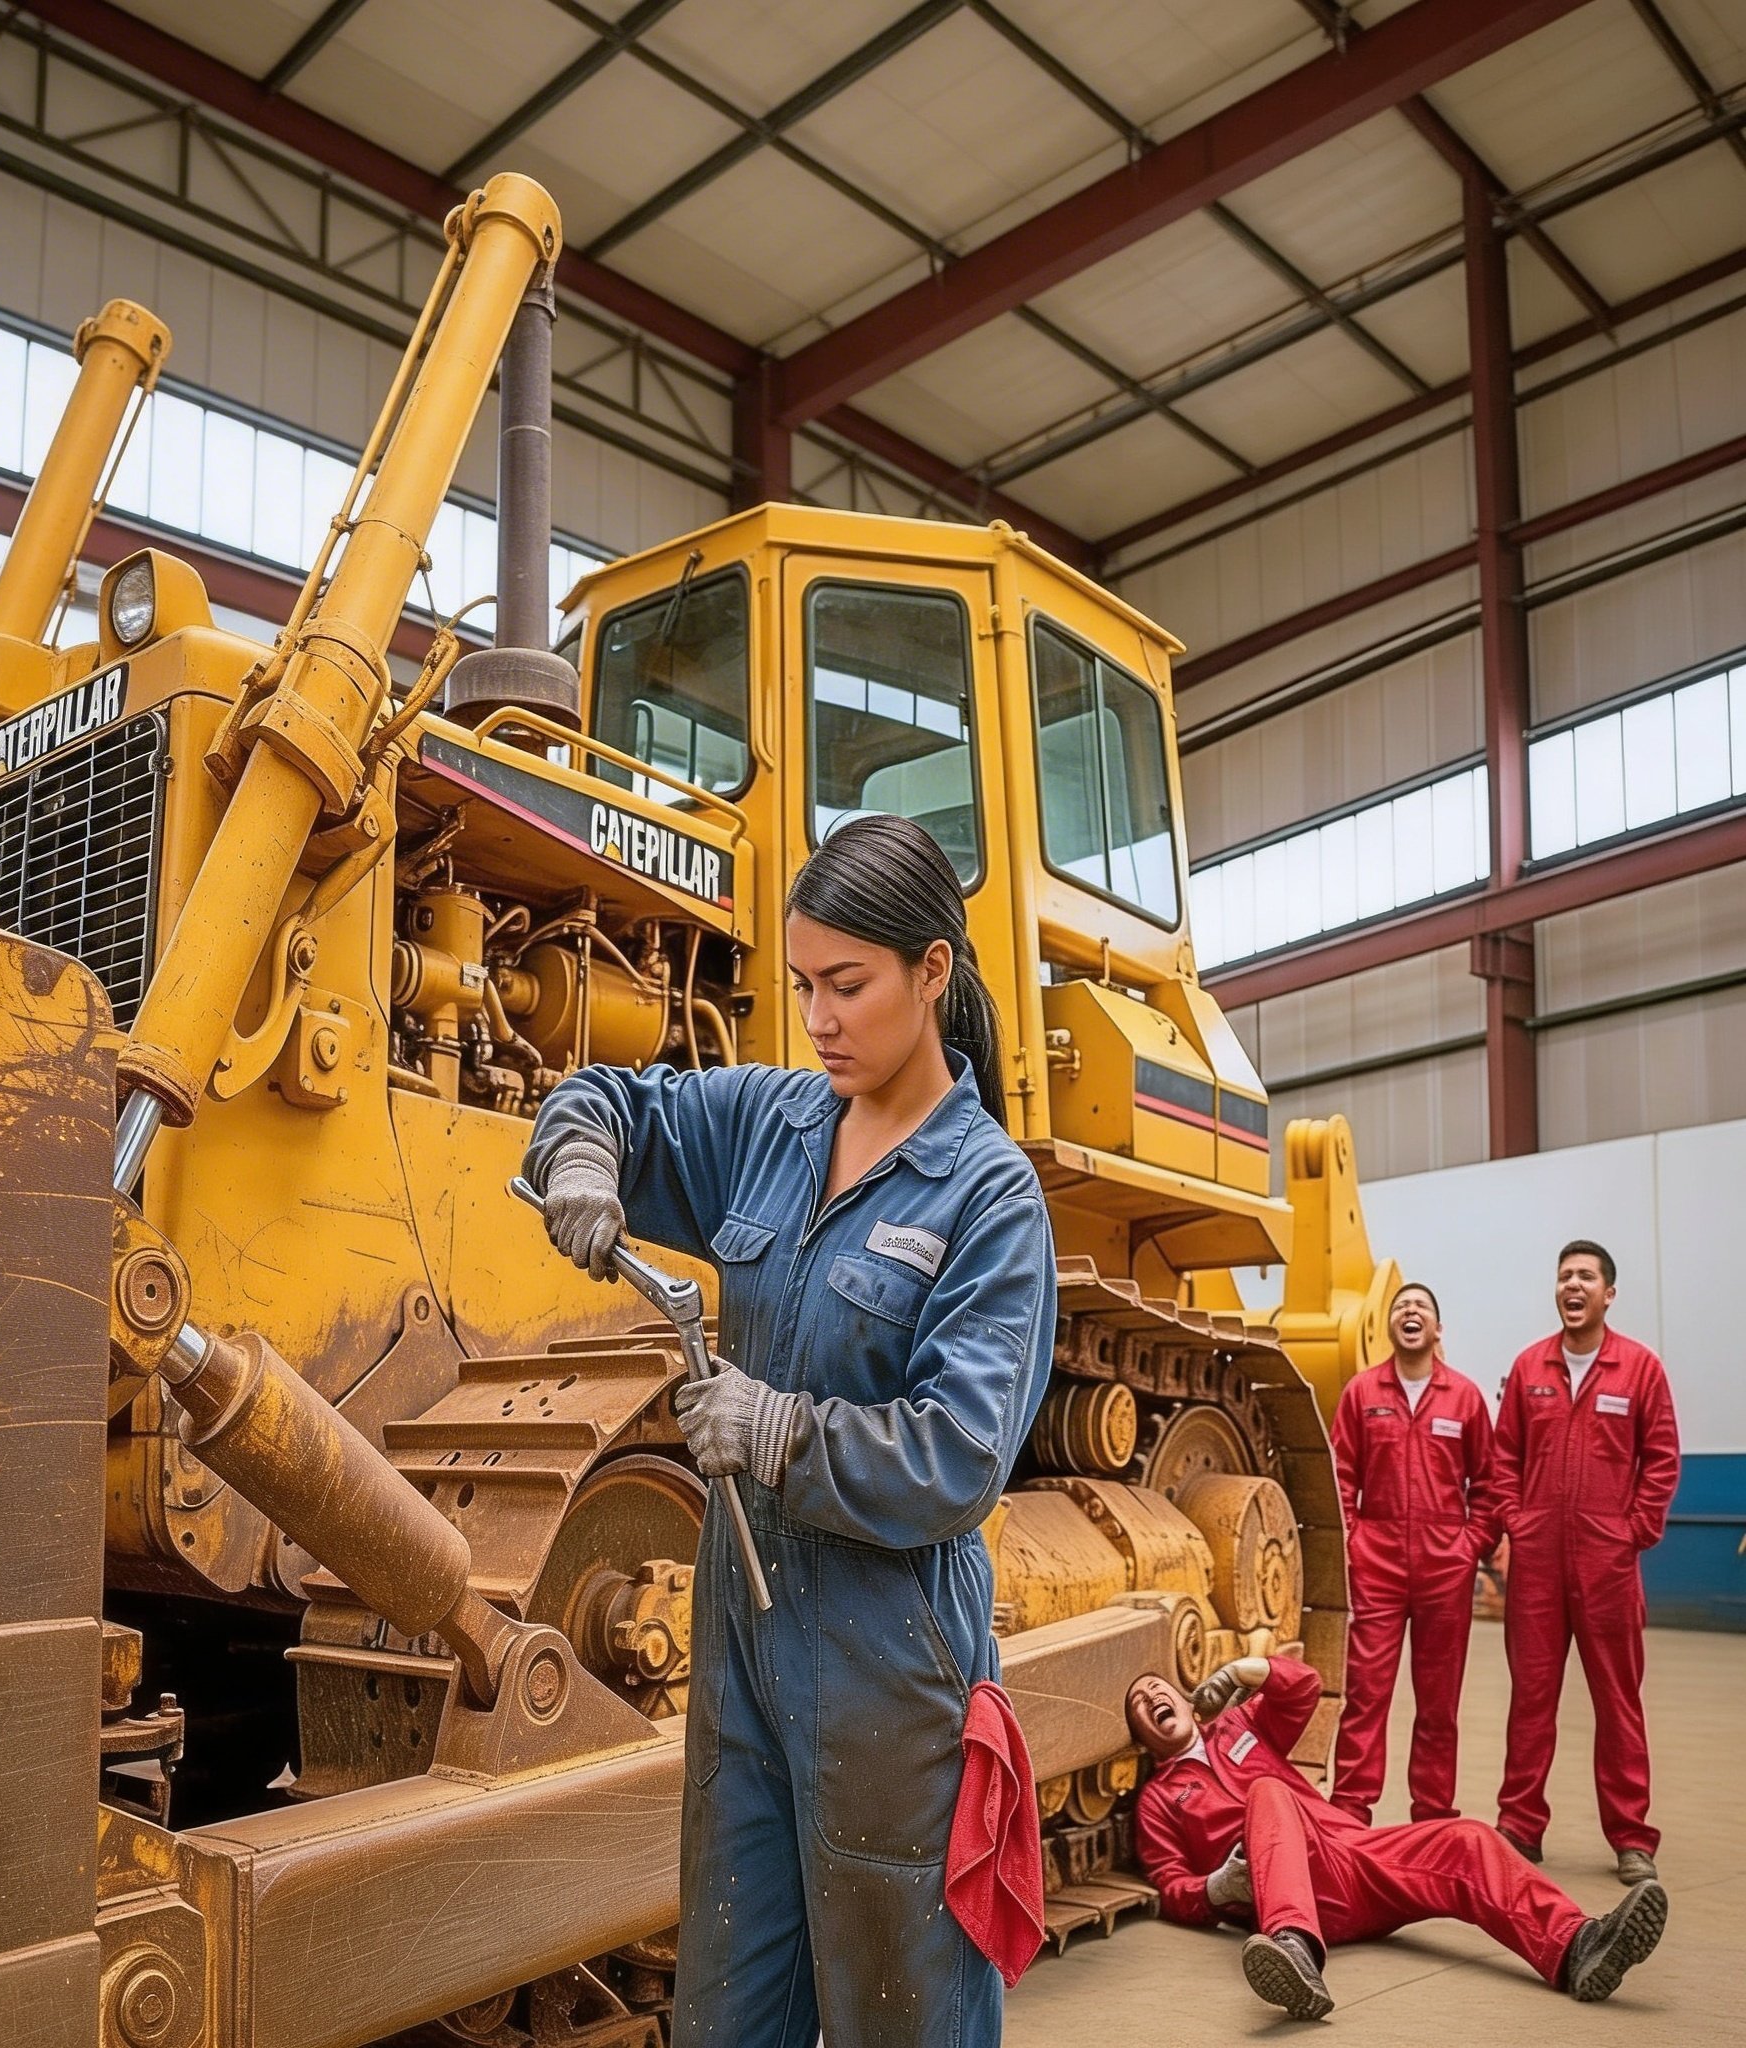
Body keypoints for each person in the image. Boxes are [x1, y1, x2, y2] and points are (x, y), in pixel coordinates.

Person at [523, 814, 1057, 2048]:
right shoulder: (775, 1121)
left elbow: (959, 1456)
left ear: (931, 971)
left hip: (889, 1662)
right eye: (803, 983)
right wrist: (583, 1165)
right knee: (728, 2002)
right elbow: (610, 1095)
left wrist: (773, 1429)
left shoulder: (986, 1195)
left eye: (847, 985)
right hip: (743, 1644)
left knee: (899, 2008)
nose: (817, 1017)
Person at [1129, 1657, 1668, 2021]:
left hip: (1354, 1859)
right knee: (1268, 1792)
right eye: (1140, 1704)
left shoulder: (1242, 1726)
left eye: (1158, 1687)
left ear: (1184, 1696)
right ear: (1141, 1736)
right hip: (1288, 1896)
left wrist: (1249, 1669)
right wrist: (1219, 1888)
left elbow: (1304, 1691)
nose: (1153, 1696)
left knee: (1466, 1838)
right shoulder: (1157, 1799)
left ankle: (1579, 1948)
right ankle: (1295, 1950)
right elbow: (1171, 1888)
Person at [1491, 1239, 1680, 1883]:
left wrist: (1633, 1531)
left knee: (1618, 1700)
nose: (1573, 1286)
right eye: (1565, 1276)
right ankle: (1519, 1825)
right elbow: (1503, 1458)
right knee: (1531, 1698)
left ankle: (1631, 1837)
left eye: (1586, 1277)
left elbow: (1661, 1459)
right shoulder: (1529, 1368)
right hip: (1538, 1563)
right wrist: (1519, 1521)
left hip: (1608, 1564)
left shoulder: (1640, 1369)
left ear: (1608, 1294)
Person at [1328, 1283, 1495, 1826]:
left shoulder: (1465, 1397)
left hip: (1445, 1568)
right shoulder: (1361, 1392)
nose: (1411, 1312)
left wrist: (1469, 1546)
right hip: (1376, 1565)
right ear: (1390, 1327)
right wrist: (1354, 1542)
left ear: (1438, 1330)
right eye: (1402, 1306)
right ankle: (1352, 1811)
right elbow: (1340, 1478)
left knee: (1439, 1704)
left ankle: (1433, 1816)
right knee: (1366, 1695)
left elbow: (1489, 1485)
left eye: (1422, 1307)